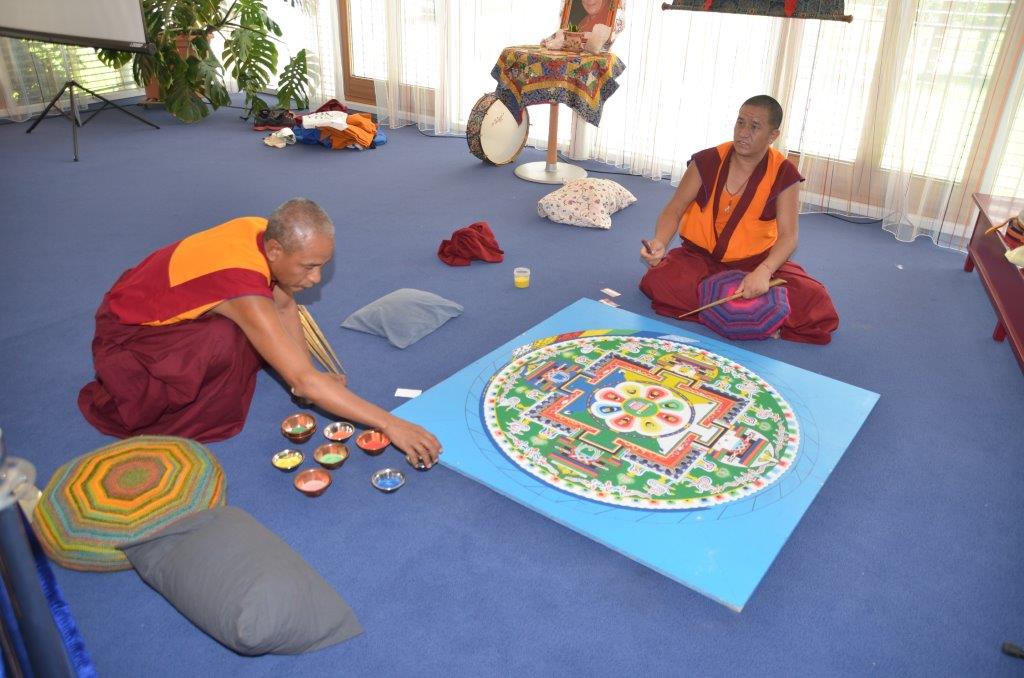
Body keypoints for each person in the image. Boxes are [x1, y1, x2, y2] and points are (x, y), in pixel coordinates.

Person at [78, 198, 442, 468]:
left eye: (322, 266)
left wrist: (307, 375)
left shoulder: (262, 231)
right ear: (275, 250)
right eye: (309, 267)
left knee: (259, 334)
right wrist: (390, 423)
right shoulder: (243, 289)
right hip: (129, 335)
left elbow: (284, 306)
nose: (316, 278)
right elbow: (301, 380)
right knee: (227, 339)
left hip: (154, 297)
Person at [639, 95, 839, 345]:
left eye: (754, 127)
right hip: (700, 258)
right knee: (658, 281)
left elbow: (789, 237)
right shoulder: (708, 160)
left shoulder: (783, 173)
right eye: (740, 123)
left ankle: (723, 309)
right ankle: (753, 314)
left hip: (754, 263)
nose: (743, 133)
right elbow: (674, 209)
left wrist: (764, 272)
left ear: (773, 135)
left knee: (816, 300)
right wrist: (660, 241)